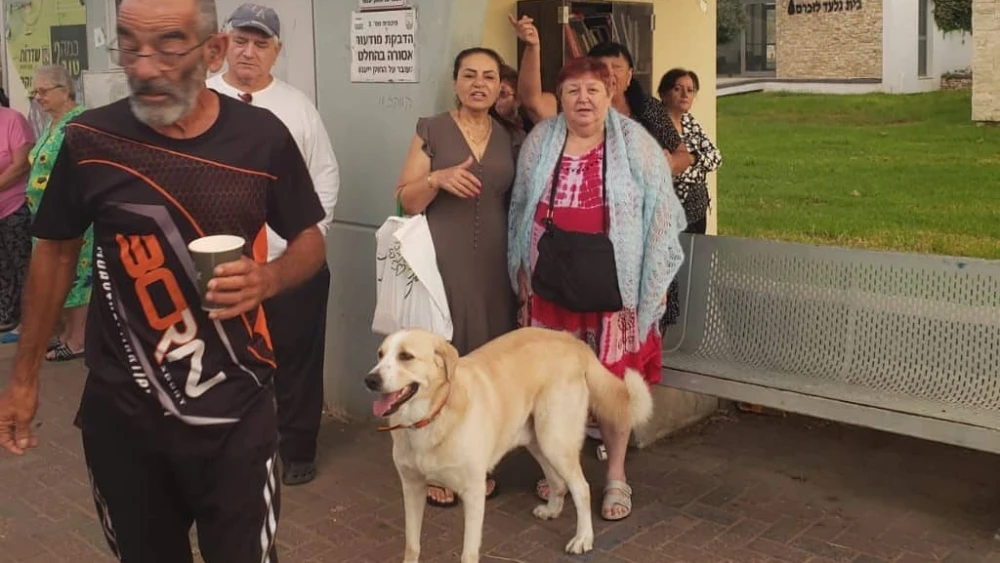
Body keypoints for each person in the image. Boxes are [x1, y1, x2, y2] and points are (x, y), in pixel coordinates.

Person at [0, 1, 326, 562]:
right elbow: (54, 253)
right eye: (128, 45)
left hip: (235, 412)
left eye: (170, 46)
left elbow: (310, 240)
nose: (145, 66)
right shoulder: (90, 141)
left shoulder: (261, 137)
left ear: (214, 51)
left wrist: (267, 279)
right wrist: (24, 378)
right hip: (123, 421)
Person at [507, 57, 686, 521]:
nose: (583, 99)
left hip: (616, 291)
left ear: (610, 94)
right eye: (572, 91)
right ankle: (559, 466)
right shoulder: (540, 141)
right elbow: (522, 206)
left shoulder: (637, 145)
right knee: (552, 385)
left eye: (593, 89)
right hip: (552, 286)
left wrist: (652, 282)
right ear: (559, 99)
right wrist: (520, 266)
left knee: (609, 384)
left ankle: (616, 476)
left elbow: (663, 214)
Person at [207, 2, 340, 487]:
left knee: (298, 360)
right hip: (220, 269)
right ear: (221, 43)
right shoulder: (200, 101)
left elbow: (325, 177)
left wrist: (308, 240)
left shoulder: (298, 108)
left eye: (261, 43)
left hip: (289, 265)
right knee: (224, 360)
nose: (248, 52)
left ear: (276, 52)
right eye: (240, 40)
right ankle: (227, 446)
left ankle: (298, 448)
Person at [394, 47, 520, 508]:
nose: (479, 84)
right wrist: (437, 179)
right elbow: (405, 199)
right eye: (470, 75)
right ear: (455, 82)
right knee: (440, 360)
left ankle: (476, 462)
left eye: (489, 76)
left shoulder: (510, 135)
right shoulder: (432, 129)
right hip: (443, 261)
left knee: (487, 360)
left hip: (496, 262)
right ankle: (432, 464)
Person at [508, 14, 691, 177]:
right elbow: (532, 101)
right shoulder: (570, 105)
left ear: (629, 76)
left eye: (617, 67)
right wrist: (533, 47)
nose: (610, 74)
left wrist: (671, 163)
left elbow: (684, 155)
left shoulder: (649, 107)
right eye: (601, 68)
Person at [23, 65, 92, 361]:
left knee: (77, 276)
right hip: (47, 219)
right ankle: (66, 333)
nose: (38, 97)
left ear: (65, 91)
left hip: (72, 216)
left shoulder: (81, 122)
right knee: (58, 277)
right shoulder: (52, 123)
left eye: (43, 91)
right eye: (34, 92)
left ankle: (79, 339)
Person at [657, 68, 722, 329]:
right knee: (668, 269)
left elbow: (715, 157)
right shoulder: (655, 124)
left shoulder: (691, 123)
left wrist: (688, 160)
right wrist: (688, 164)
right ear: (663, 93)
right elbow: (663, 170)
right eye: (677, 88)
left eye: (690, 90)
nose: (685, 94)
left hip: (695, 208)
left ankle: (690, 323)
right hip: (667, 211)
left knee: (694, 266)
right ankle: (665, 326)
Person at [0, 105, 34, 334]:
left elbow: (21, 164)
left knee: (22, 264)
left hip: (15, 206)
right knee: (2, 266)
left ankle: (30, 320)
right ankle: (6, 314)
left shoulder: (12, 119)